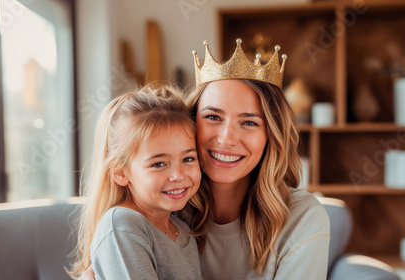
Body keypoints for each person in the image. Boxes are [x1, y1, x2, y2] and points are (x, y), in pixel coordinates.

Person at [79, 38, 330, 279]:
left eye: (249, 122)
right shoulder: (167, 206)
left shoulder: (302, 217)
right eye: (213, 117)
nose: (226, 139)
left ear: (271, 136)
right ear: (189, 126)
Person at [68, 84, 202, 280]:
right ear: (121, 173)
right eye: (158, 164)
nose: (178, 175)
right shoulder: (122, 225)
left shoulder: (182, 229)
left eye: (188, 159)